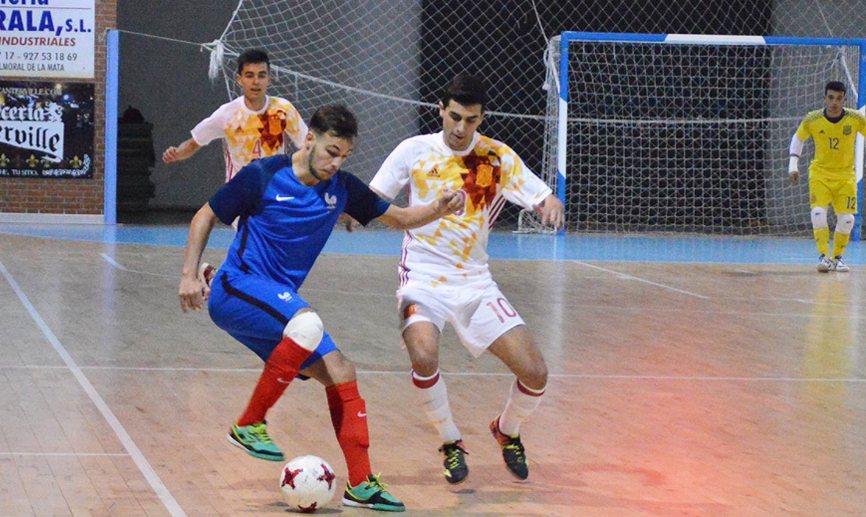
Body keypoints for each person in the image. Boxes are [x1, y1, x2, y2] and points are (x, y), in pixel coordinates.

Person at [178, 104, 463, 512]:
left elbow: (398, 217)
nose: (336, 163)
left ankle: (362, 485)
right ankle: (249, 424)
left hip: (276, 310)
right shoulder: (263, 174)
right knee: (307, 322)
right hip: (235, 287)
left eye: (344, 155)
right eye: (331, 151)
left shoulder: (342, 188)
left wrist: (438, 208)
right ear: (309, 139)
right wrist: (190, 274)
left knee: (342, 370)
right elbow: (205, 215)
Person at [369, 73, 564, 484]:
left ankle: (506, 430)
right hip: (421, 276)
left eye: (471, 120)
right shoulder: (413, 150)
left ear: (481, 118)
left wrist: (550, 204)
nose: (460, 128)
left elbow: (541, 195)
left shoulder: (497, 157)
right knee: (423, 355)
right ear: (441, 109)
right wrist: (356, 212)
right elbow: (375, 199)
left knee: (536, 373)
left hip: (475, 283)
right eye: (454, 117)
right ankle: (450, 441)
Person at [163, 48, 307, 183]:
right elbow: (194, 143)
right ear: (239, 80)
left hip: (275, 189)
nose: (256, 82)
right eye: (249, 76)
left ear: (269, 79)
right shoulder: (227, 114)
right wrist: (178, 153)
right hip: (239, 191)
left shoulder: (283, 109)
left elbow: (307, 146)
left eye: (261, 76)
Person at [789, 80, 866, 273]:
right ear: (825, 98)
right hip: (820, 174)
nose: (834, 103)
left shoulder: (855, 118)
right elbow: (798, 139)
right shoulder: (813, 119)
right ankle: (823, 257)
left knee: (848, 219)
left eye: (839, 99)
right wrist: (793, 165)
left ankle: (837, 258)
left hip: (845, 176)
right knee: (818, 214)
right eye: (831, 98)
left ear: (844, 100)